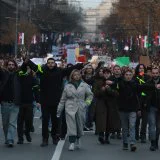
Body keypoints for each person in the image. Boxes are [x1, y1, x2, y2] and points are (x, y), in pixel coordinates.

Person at [23, 57, 83, 147]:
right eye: (49, 63)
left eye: (52, 63)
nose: (51, 64)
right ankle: (45, 138)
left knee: (55, 121)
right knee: (45, 120)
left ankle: (55, 137)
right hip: (45, 101)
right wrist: (28, 61)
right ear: (47, 64)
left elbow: (70, 69)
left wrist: (81, 65)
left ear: (55, 64)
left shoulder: (60, 71)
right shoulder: (42, 71)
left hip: (56, 101)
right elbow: (34, 67)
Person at [57, 69, 93, 151]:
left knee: (80, 125)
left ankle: (78, 138)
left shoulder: (84, 85)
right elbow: (63, 99)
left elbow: (90, 96)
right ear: (72, 76)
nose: (76, 76)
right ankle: (71, 142)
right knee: (71, 125)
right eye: (75, 75)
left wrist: (86, 103)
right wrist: (59, 110)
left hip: (81, 107)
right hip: (70, 107)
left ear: (80, 75)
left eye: (78, 74)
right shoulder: (67, 86)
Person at [93, 68, 120, 144]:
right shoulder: (98, 81)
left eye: (108, 73)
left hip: (111, 103)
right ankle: (101, 135)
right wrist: (102, 90)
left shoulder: (114, 82)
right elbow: (95, 93)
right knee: (101, 120)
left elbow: (117, 93)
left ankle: (107, 137)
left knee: (109, 120)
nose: (106, 75)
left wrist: (110, 90)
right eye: (105, 73)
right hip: (101, 103)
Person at [17, 65, 40, 144]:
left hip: (29, 102)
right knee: (20, 121)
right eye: (26, 69)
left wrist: (38, 101)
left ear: (31, 70)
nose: (27, 70)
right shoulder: (20, 77)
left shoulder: (33, 79)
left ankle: (27, 132)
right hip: (20, 103)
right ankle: (20, 138)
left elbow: (36, 91)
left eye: (29, 69)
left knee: (29, 121)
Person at [0, 60, 20, 147]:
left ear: (15, 66)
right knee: (5, 124)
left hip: (15, 103)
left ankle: (10, 139)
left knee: (12, 123)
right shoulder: (3, 74)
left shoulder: (18, 75)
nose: (11, 66)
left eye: (12, 65)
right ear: (6, 66)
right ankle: (7, 138)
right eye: (9, 65)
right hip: (4, 103)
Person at [134, 64, 151, 143]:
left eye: (142, 68)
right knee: (136, 120)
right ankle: (136, 134)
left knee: (144, 121)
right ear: (137, 69)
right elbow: (135, 90)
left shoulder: (148, 78)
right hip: (137, 101)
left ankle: (143, 135)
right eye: (140, 68)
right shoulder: (135, 78)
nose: (141, 69)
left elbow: (148, 90)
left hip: (146, 101)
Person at [146, 67, 160, 151]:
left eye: (156, 73)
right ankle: (153, 143)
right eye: (153, 73)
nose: (155, 75)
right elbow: (144, 94)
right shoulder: (148, 82)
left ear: (159, 73)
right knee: (152, 125)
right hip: (151, 106)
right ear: (151, 74)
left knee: (158, 127)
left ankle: (156, 141)